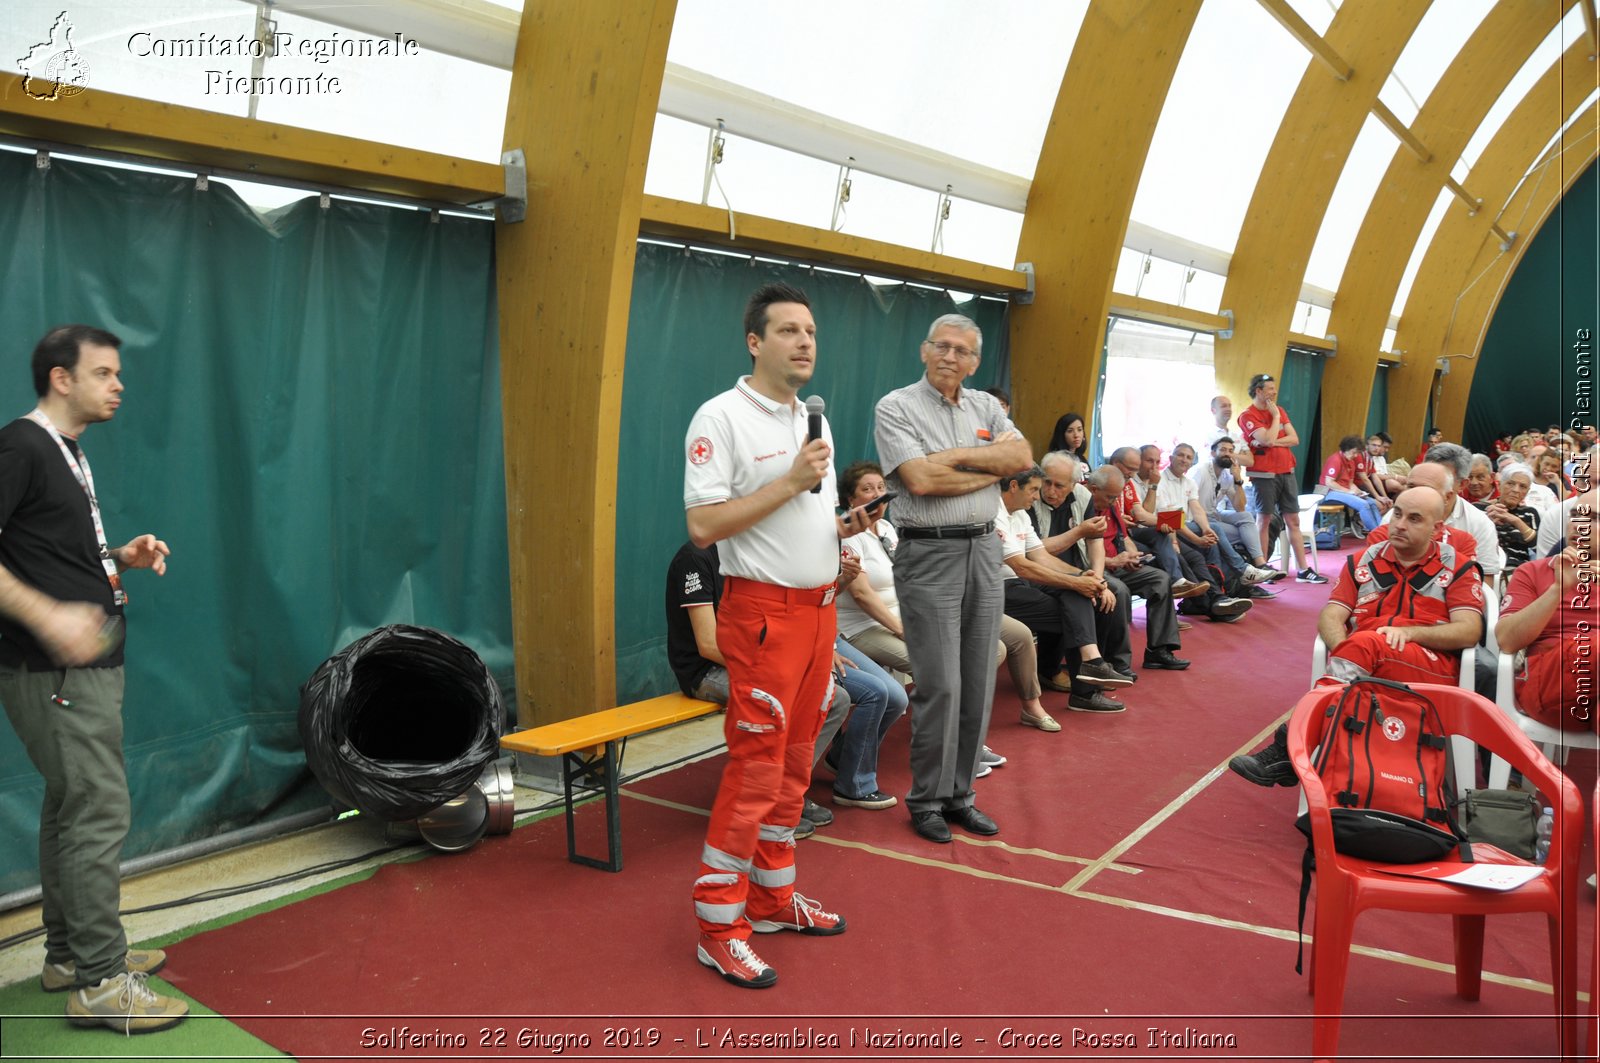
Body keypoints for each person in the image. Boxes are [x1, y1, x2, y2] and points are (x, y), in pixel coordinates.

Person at [682, 283, 866, 988]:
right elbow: (703, 527)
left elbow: (799, 512)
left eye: (811, 330)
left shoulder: (813, 418)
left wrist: (838, 533)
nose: (805, 341)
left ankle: (769, 898)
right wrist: (791, 483)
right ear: (754, 342)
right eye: (788, 330)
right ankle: (716, 924)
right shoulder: (720, 417)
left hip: (819, 612)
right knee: (757, 766)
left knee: (794, 764)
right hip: (763, 617)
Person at [0, 326, 183, 1032]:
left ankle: (69, 954)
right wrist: (49, 615)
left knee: (68, 804)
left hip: (80, 671)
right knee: (97, 808)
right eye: (104, 372)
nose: (119, 384)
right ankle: (103, 980)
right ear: (60, 378)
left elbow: (38, 546)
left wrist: (116, 557)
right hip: (57, 670)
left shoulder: (65, 452)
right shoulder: (20, 446)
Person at [874, 314, 1032, 844]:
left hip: (985, 548)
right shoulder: (896, 407)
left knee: (979, 680)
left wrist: (959, 458)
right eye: (941, 346)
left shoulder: (986, 406)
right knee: (940, 685)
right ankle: (927, 801)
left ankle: (962, 796)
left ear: (975, 361)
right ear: (924, 350)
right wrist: (990, 467)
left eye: (962, 351)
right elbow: (918, 479)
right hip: (929, 555)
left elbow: (1022, 458)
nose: (950, 356)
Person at [1229, 487, 1484, 786]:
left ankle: (1291, 742)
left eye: (1414, 519)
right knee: (1367, 643)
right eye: (1397, 514)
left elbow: (1469, 630)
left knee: (1368, 642)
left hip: (1428, 666)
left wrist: (1410, 632)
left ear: (1437, 528)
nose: (1400, 524)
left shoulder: (1458, 566)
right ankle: (1303, 745)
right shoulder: (1362, 561)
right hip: (1365, 662)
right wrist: (1350, 652)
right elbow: (1331, 615)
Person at [663, 539, 864, 837]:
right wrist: (777, 666)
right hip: (708, 670)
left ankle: (787, 795)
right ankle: (763, 806)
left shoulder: (752, 551)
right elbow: (707, 644)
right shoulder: (695, 557)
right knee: (779, 703)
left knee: (834, 699)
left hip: (760, 661)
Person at [996, 466, 1131, 714]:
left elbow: (1041, 557)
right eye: (1034, 489)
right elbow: (1022, 566)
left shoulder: (1020, 514)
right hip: (995, 589)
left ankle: (1091, 666)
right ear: (1013, 486)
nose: (1038, 496)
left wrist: (1082, 577)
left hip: (1020, 583)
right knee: (1079, 606)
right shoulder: (995, 512)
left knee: (1084, 596)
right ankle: (1087, 685)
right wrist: (1075, 581)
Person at [1237, 373, 1325, 583]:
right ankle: (1262, 567)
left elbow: (1294, 439)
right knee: (1264, 519)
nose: (1274, 392)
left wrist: (1272, 441)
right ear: (1258, 391)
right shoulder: (1248, 415)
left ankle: (1303, 570)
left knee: (1293, 520)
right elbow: (1265, 439)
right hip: (1264, 474)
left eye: (1274, 389)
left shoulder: (1280, 410)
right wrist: (1275, 420)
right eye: (1270, 389)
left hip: (1287, 471)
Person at [1320, 434, 1385, 534]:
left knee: (1371, 502)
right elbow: (1329, 482)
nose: (1355, 456)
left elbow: (1350, 483)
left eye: (1357, 453)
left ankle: (1381, 531)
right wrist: (1349, 492)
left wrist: (1359, 492)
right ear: (1347, 448)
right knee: (1363, 505)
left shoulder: (1351, 462)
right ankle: (1376, 533)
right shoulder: (1335, 459)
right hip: (1330, 492)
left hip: (1344, 492)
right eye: (1354, 452)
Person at [1482, 463, 1540, 573]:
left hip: (1518, 571)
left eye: (1522, 486)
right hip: (1486, 567)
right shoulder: (1480, 508)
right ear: (1499, 485)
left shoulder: (1530, 513)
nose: (1516, 490)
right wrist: (1487, 520)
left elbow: (1539, 548)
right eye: (1510, 483)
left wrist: (1516, 521)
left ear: (1527, 491)